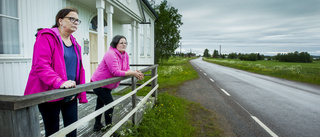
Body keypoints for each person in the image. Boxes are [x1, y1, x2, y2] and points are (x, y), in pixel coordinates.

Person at [24, 7, 88, 137]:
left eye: (77, 20)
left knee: (72, 129)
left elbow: (79, 68)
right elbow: (41, 65)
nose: (75, 22)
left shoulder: (76, 44)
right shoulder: (46, 37)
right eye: (72, 19)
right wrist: (59, 82)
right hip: (50, 92)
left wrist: (80, 91)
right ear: (60, 21)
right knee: (53, 131)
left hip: (70, 92)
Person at [91, 35, 144, 131]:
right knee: (110, 104)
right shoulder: (110, 54)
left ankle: (97, 125)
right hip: (99, 83)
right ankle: (109, 129)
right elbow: (115, 72)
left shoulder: (125, 55)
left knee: (100, 105)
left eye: (125, 43)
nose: (124, 45)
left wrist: (135, 73)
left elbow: (126, 69)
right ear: (115, 44)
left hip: (107, 85)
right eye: (121, 43)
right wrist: (133, 73)